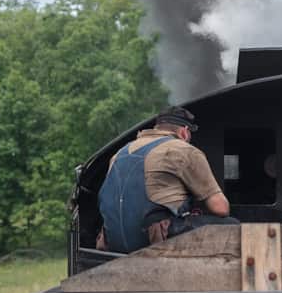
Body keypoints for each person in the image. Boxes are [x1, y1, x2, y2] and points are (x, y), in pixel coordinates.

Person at [97, 106, 236, 253]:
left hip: (113, 242)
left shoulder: (119, 153)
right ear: (184, 132)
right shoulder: (183, 149)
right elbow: (221, 208)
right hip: (151, 240)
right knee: (231, 226)